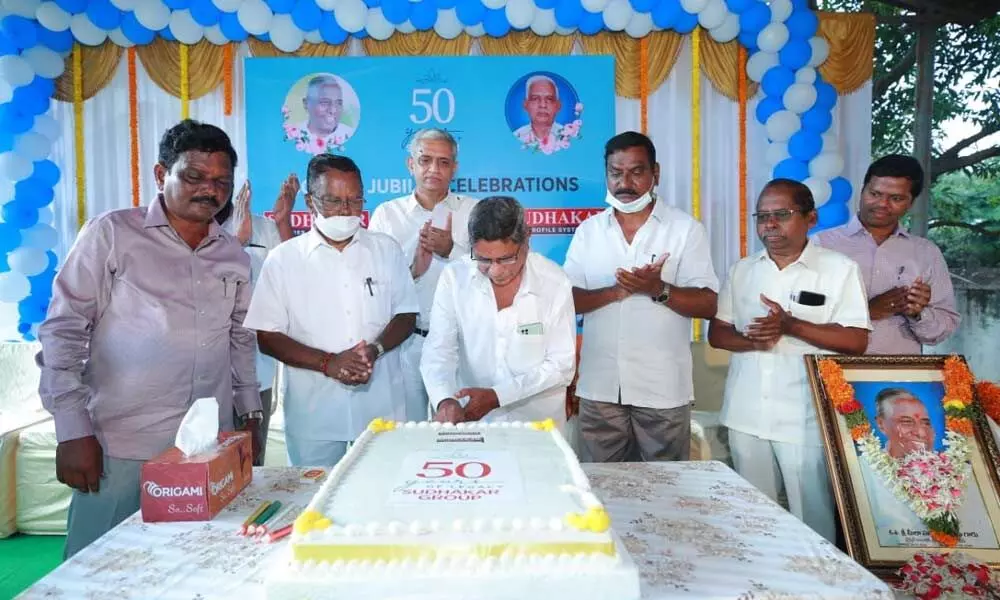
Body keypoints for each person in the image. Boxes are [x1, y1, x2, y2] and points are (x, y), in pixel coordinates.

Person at [36, 119, 262, 558]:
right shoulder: (113, 234)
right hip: (120, 444)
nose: (209, 190)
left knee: (190, 564)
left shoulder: (233, 254)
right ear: (161, 175)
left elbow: (239, 339)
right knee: (96, 569)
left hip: (203, 447)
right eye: (194, 176)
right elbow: (63, 330)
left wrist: (249, 413)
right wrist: (71, 431)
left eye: (221, 182)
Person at [709, 179, 871, 542]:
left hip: (805, 417)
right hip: (746, 413)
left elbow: (857, 339)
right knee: (754, 517)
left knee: (811, 518)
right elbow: (717, 334)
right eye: (763, 216)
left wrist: (791, 325)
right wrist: (752, 340)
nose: (770, 225)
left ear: (810, 218)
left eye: (782, 215)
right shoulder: (743, 270)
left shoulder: (839, 269)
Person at [242, 154, 417, 466]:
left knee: (380, 499)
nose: (346, 211)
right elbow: (267, 336)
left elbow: (405, 314)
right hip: (314, 413)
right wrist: (328, 363)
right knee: (314, 502)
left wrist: (374, 350)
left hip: (380, 407)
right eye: (333, 201)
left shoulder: (386, 249)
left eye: (355, 200)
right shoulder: (284, 259)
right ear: (310, 202)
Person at [563, 132, 719, 463]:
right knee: (603, 493)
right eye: (616, 172)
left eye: (636, 171)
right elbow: (566, 301)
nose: (625, 182)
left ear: (655, 173)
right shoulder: (589, 232)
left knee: (668, 492)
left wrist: (658, 289)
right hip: (600, 388)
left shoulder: (684, 229)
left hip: (662, 388)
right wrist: (615, 292)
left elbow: (708, 303)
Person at [421, 196, 576, 427]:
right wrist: (444, 400)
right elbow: (438, 351)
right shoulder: (455, 278)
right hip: (472, 425)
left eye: (506, 259)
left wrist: (498, 396)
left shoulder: (554, 282)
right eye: (484, 259)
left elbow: (561, 365)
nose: (495, 271)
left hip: (537, 427)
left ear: (527, 241)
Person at [368, 128, 478, 421]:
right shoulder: (387, 215)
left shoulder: (475, 212)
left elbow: (495, 269)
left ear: (455, 168)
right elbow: (372, 284)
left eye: (443, 162)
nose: (434, 169)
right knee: (408, 435)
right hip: (407, 343)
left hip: (462, 344)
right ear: (410, 164)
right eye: (425, 160)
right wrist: (413, 270)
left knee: (461, 434)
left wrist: (452, 250)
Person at [814, 155, 959, 354]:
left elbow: (942, 330)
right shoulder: (820, 245)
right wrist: (866, 311)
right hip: (831, 373)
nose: (882, 204)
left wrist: (917, 313)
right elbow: (797, 313)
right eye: (875, 193)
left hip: (899, 377)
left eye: (896, 198)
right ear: (862, 190)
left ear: (911, 202)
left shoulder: (925, 253)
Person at [216, 173, 297, 463]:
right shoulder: (196, 230)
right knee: (210, 459)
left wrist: (283, 222)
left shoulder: (265, 228)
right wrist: (236, 242)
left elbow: (294, 271)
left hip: (255, 368)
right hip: (207, 370)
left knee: (250, 459)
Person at [291, 75, 356, 150]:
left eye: (339, 103)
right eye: (325, 102)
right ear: (306, 104)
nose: (333, 110)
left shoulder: (346, 133)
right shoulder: (296, 133)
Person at [513, 75, 564, 148]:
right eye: (535, 98)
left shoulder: (567, 135)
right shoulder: (518, 135)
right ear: (525, 105)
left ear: (558, 106)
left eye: (549, 99)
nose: (543, 105)